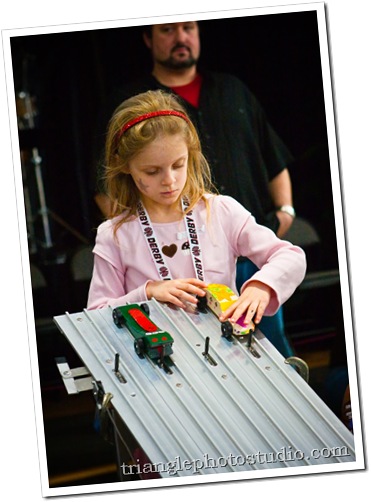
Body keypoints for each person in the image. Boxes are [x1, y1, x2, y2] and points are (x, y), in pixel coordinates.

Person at [92, 21, 298, 356]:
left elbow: (289, 256)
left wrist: (261, 285)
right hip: (157, 365)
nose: (170, 181)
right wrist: (148, 291)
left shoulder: (222, 210)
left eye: (178, 165)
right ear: (125, 168)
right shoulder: (114, 234)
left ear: (192, 156)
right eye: (152, 171)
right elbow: (95, 316)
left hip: (226, 358)